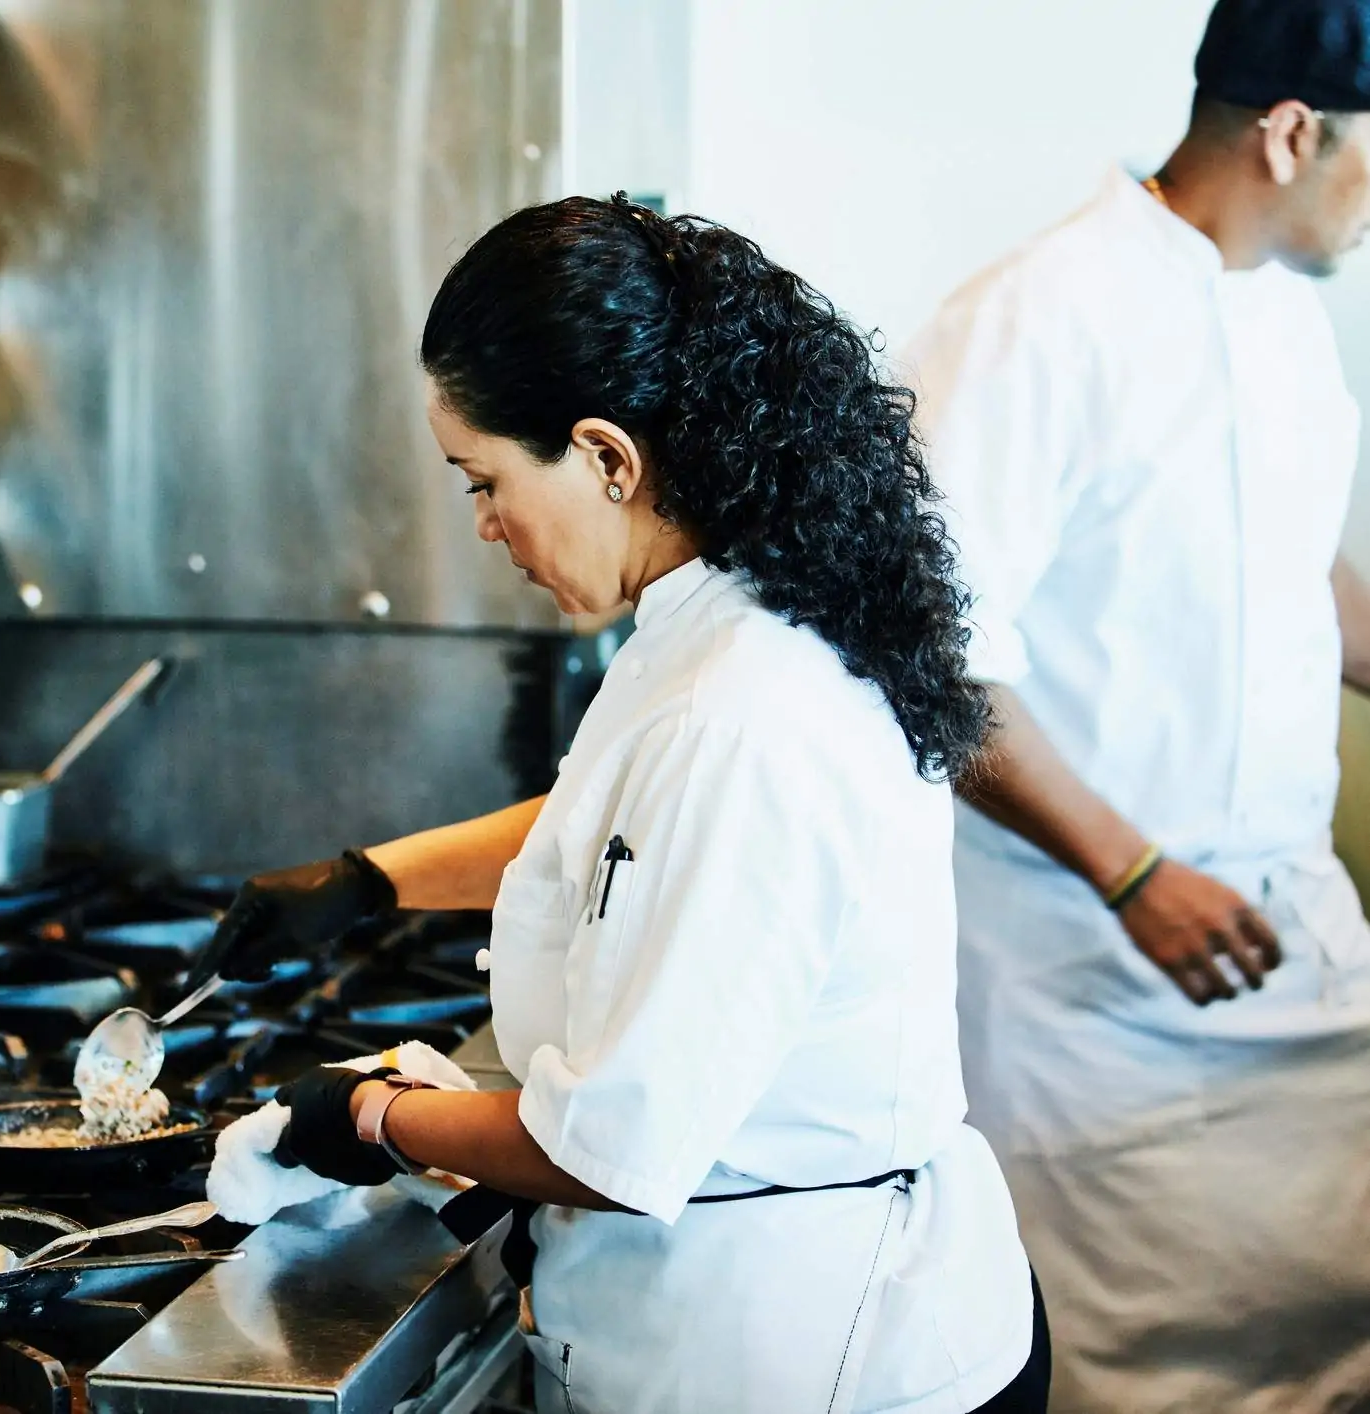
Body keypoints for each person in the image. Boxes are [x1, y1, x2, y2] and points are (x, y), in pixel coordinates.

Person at [194, 195, 1046, 1414]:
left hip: (814, 1359)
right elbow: (610, 819)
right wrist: (370, 879)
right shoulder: (735, 614)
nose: (484, 523)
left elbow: (604, 1148)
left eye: (484, 479)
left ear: (606, 456)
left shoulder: (742, 711)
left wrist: (374, 1116)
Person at [901, 2, 1370, 1409]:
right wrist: (1133, 870)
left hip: (1285, 932)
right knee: (1140, 1374)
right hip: (1086, 972)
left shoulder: (1289, 310)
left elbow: (1298, 565)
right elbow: (934, 657)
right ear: (1293, 133)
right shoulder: (1029, 318)